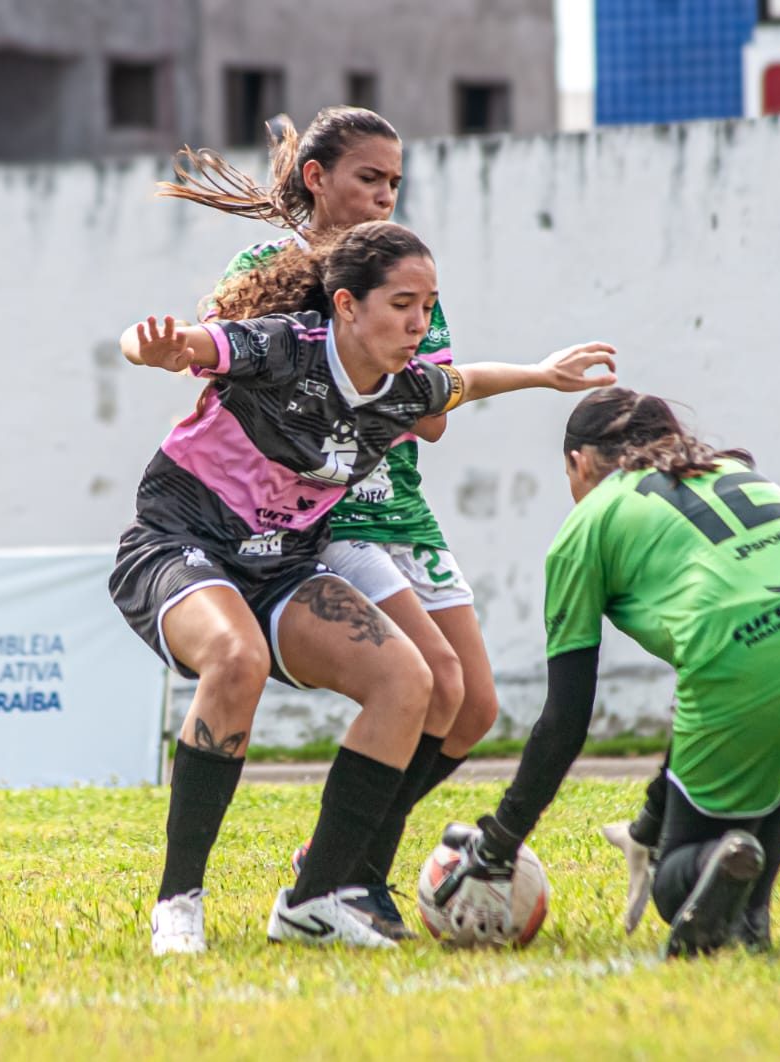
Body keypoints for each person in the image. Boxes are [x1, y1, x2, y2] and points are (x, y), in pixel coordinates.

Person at [110, 220, 616, 953]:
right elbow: (179, 342)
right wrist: (150, 347)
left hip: (281, 566)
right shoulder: (286, 346)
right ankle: (178, 902)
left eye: (428, 305)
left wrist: (542, 374)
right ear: (346, 305)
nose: (421, 324)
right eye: (403, 305)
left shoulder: (408, 388)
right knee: (237, 658)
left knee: (410, 681)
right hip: (180, 545)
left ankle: (312, 900)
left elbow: (469, 382)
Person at [159, 106, 503, 936]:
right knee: (433, 684)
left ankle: (336, 863)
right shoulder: (268, 267)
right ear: (316, 178)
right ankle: (346, 881)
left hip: (403, 506)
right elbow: (222, 370)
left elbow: (433, 414)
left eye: (394, 181)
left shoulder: (403, 272)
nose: (385, 195)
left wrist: (395, 341)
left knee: (475, 708)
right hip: (330, 512)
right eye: (368, 178)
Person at [431, 388, 780, 957]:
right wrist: (651, 814)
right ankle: (749, 917)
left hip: (754, 653)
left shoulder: (586, 527)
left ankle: (721, 875)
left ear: (579, 464)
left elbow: (564, 723)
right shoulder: (732, 468)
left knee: (674, 881)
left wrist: (499, 844)